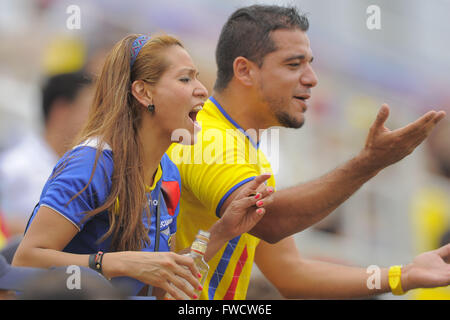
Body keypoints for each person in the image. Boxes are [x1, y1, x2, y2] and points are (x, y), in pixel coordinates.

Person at [168, 4, 449, 299]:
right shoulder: (207, 138)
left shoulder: (247, 152)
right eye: (294, 64)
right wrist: (369, 164)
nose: (312, 78)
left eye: (310, 63)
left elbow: (290, 272)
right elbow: (271, 222)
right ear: (244, 70)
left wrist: (402, 276)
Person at [12, 34, 274, 299]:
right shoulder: (91, 165)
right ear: (143, 92)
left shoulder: (168, 173)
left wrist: (223, 230)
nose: (202, 90)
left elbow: (160, 282)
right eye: (185, 78)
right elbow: (26, 261)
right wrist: (118, 263)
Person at [0, 71, 93, 236]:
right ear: (61, 111)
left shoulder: (88, 166)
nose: (99, 118)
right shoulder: (13, 167)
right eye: (90, 108)